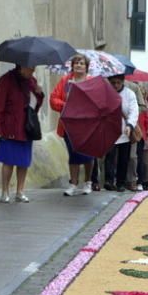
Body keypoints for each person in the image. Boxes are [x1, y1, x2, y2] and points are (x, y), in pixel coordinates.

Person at [0, 65, 45, 203]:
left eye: (33, 69)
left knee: (23, 161)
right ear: (22, 66)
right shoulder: (6, 80)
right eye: (31, 68)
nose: (33, 71)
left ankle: (20, 191)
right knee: (8, 160)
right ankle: (5, 192)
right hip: (9, 126)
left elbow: (35, 106)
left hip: (26, 127)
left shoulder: (31, 81)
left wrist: (39, 94)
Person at [49, 54, 94, 197]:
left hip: (87, 124)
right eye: (76, 63)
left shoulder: (92, 82)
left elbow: (98, 102)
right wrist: (65, 104)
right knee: (73, 154)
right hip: (68, 124)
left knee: (88, 154)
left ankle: (88, 182)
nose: (78, 65)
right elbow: (53, 99)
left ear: (86, 66)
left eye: (81, 63)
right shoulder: (65, 81)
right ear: (72, 66)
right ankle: (73, 183)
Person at [103, 74, 139, 192]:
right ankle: (109, 180)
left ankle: (120, 182)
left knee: (123, 158)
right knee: (110, 157)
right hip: (109, 129)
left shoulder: (129, 94)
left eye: (118, 83)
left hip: (124, 130)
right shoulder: (105, 93)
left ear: (123, 82)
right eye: (113, 83)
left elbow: (134, 111)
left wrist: (130, 125)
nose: (116, 85)